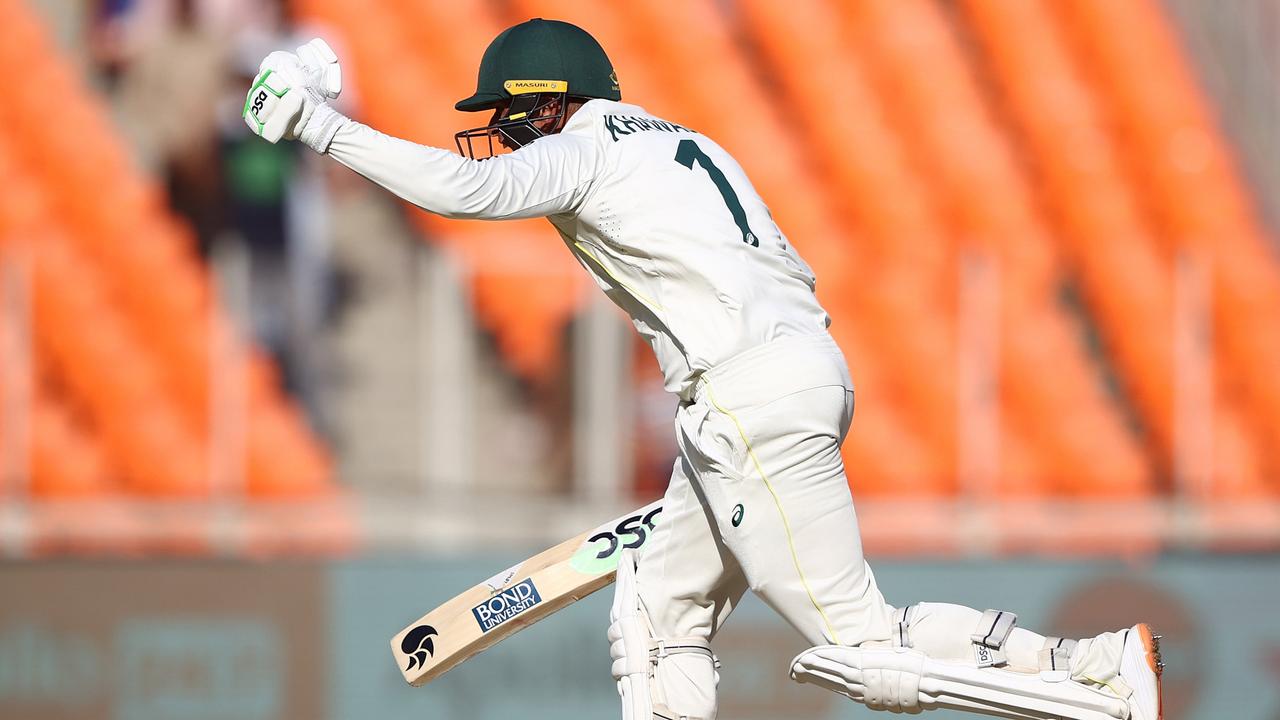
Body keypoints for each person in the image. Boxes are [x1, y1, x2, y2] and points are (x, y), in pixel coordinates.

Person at [244, 19, 1162, 720]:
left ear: (549, 99)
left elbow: (469, 191)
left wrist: (325, 129)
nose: (507, 137)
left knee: (866, 653)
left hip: (744, 399)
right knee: (658, 600)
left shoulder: (587, 149)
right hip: (792, 373)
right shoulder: (692, 143)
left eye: (511, 116)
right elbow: (789, 271)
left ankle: (1091, 671)